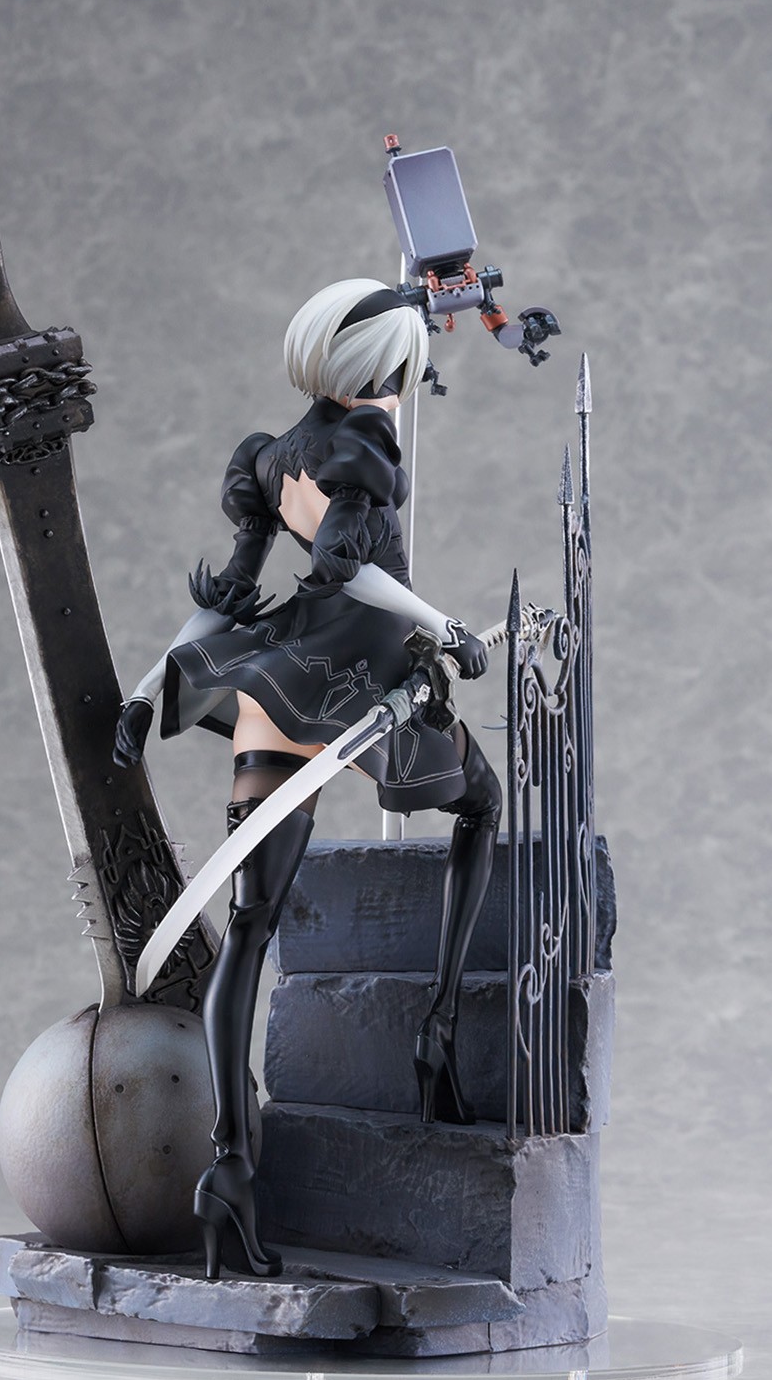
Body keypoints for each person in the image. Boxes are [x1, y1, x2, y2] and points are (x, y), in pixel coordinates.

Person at [114, 279, 502, 1279]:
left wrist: (151, 687)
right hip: (366, 676)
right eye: (409, 365)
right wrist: (448, 627)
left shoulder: (268, 454)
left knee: (249, 926)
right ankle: (437, 1036)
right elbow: (348, 569)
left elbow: (232, 595)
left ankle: (228, 1172)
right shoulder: (366, 447)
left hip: (280, 681)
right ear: (388, 368)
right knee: (484, 804)